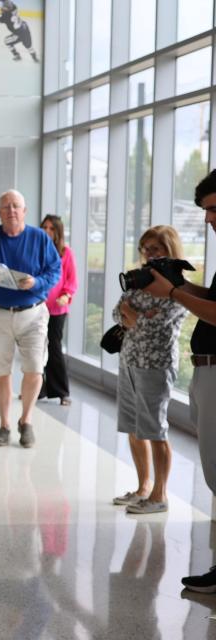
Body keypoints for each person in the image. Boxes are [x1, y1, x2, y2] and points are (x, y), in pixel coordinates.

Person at [142, 170, 216, 589]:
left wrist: (172, 295)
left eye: (211, 209)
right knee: (213, 469)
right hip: (206, 368)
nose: (207, 219)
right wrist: (183, 285)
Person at [0, 189, 61, 448]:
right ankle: (4, 424)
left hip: (33, 313)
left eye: (16, 206)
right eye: (6, 207)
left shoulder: (40, 238)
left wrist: (36, 282)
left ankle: (26, 420)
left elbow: (55, 271)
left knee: (34, 368)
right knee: (1, 372)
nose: (11, 211)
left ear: (25, 211)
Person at [111, 226, 187, 515]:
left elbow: (156, 323)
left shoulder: (177, 286)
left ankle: (159, 495)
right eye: (145, 248)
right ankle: (143, 487)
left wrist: (135, 316)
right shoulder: (138, 280)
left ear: (169, 250)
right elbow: (118, 313)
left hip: (156, 365)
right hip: (129, 360)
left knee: (155, 429)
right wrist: (135, 316)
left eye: (155, 249)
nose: (149, 254)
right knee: (133, 428)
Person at [40, 215, 77, 405]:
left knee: (54, 347)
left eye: (51, 228)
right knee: (36, 349)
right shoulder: (36, 250)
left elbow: (71, 280)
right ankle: (38, 389)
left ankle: (62, 392)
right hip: (37, 307)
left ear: (58, 231)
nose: (47, 231)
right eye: (44, 227)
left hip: (57, 309)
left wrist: (66, 295)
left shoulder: (66, 253)